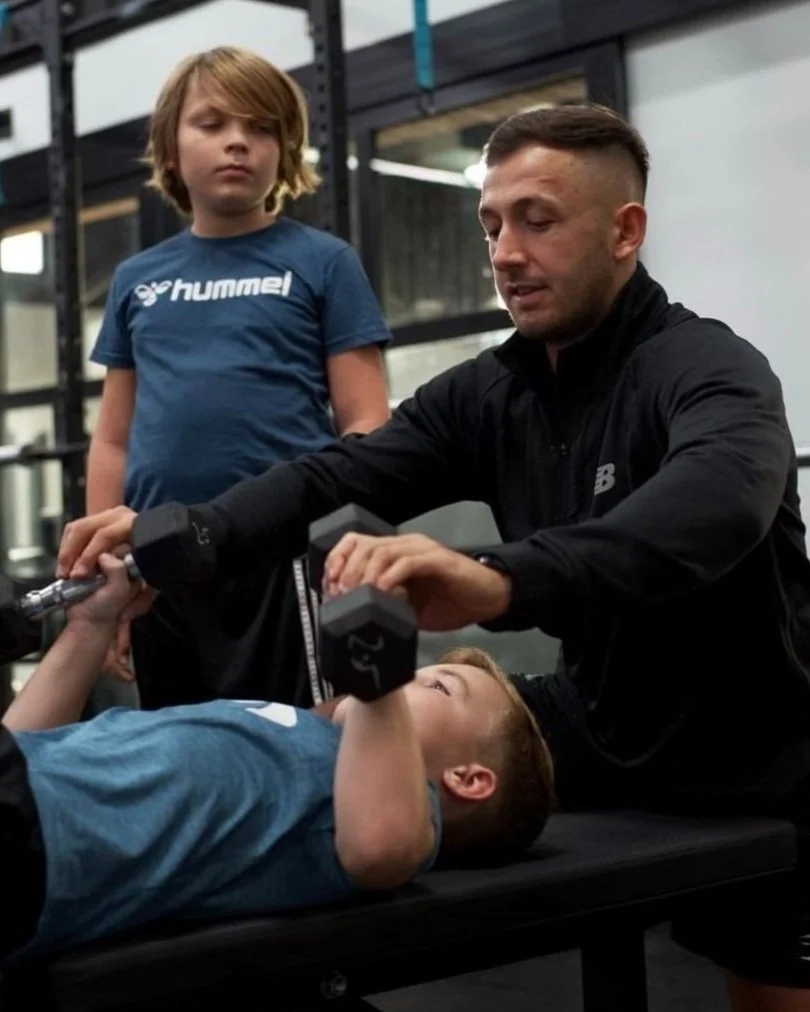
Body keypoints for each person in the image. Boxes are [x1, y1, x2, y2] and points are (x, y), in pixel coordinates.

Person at [57, 102, 810, 1011]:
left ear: (625, 231)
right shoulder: (491, 392)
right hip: (593, 726)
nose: (505, 252)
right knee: (337, 778)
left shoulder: (709, 368)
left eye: (538, 220)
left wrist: (499, 577)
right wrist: (191, 531)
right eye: (491, 224)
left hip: (758, 751)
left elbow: (713, 509)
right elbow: (339, 471)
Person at [0, 555, 553, 966]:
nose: (407, 678)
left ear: (468, 779)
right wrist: (90, 628)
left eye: (438, 685)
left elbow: (382, 848)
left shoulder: (402, 809)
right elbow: (23, 743)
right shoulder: (298, 732)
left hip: (36, 846)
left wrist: (374, 673)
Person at [86, 45, 391, 708]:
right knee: (184, 751)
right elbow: (113, 438)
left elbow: (367, 424)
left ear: (284, 151)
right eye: (213, 124)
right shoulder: (138, 280)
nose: (238, 143)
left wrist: (348, 552)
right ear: (169, 150)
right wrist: (103, 578)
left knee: (297, 741)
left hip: (282, 553)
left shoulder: (323, 262)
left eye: (261, 129)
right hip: (159, 562)